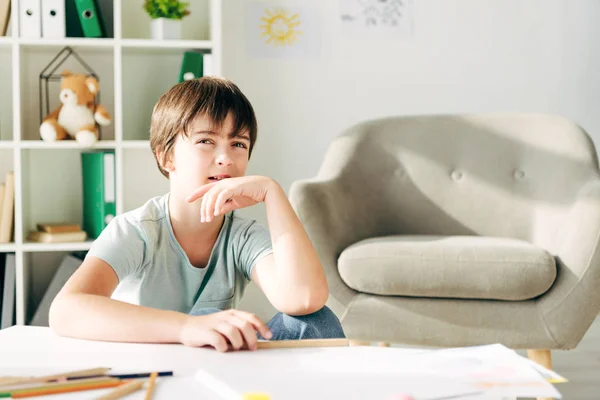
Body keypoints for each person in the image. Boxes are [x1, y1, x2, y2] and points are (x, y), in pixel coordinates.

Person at [49, 77, 345, 352]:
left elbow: (304, 299)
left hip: (216, 369)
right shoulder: (137, 230)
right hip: (151, 363)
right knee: (209, 316)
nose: (225, 158)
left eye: (238, 144)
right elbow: (66, 310)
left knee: (315, 320)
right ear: (166, 157)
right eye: (206, 141)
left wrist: (272, 193)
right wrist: (187, 326)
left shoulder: (242, 236)